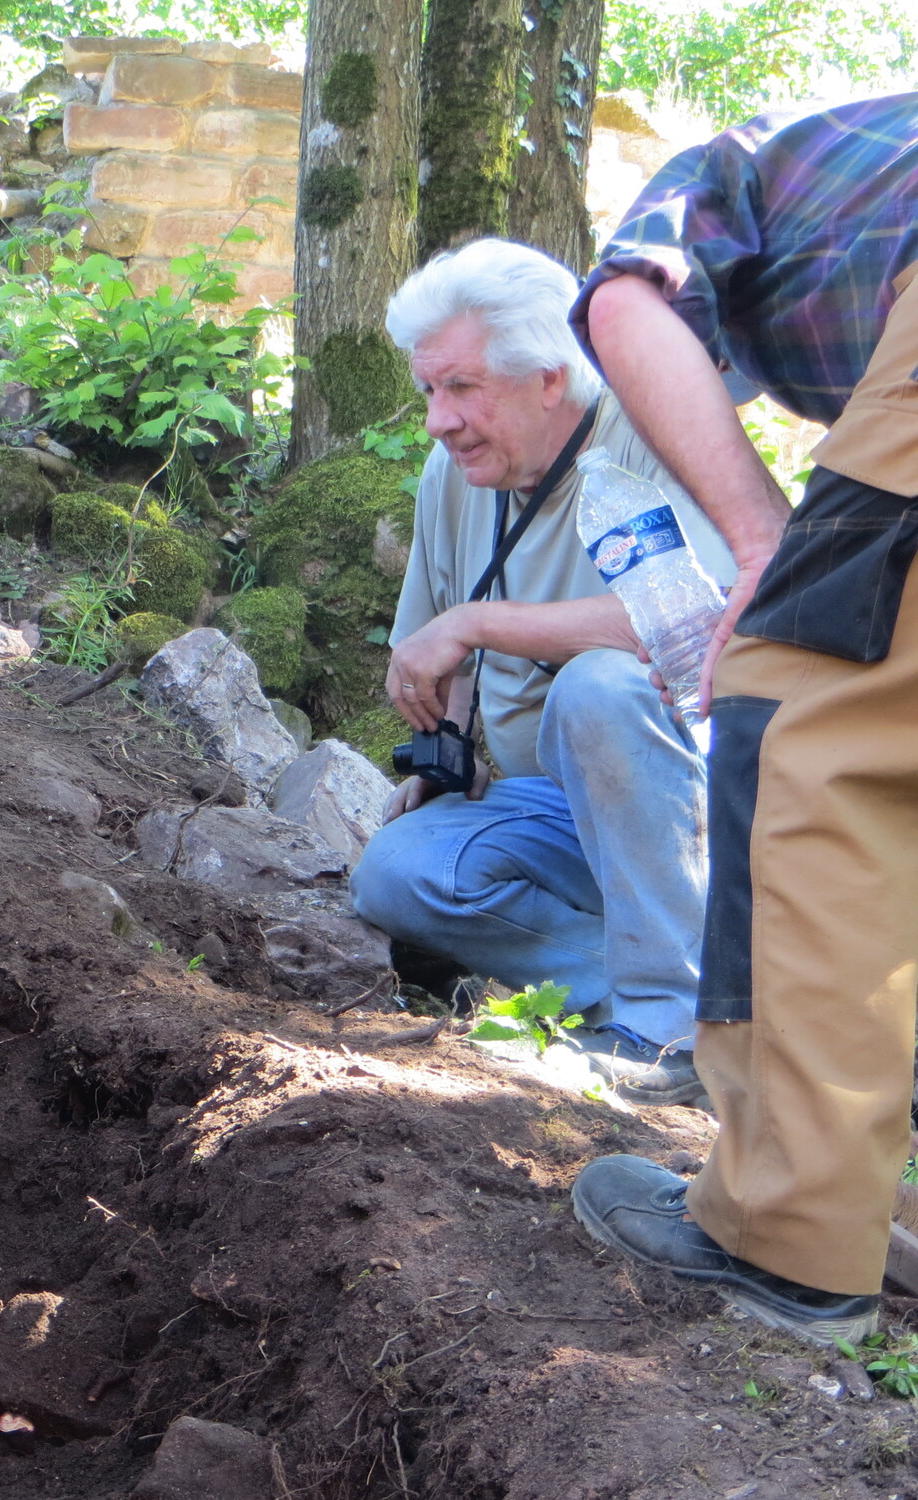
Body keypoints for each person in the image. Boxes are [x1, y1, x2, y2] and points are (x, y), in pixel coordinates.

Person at [566, 93, 918, 1345]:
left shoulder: (725, 168)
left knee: (801, 727)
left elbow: (623, 307)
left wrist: (766, 541)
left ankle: (784, 1232)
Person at [349, 239, 735, 1106]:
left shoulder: (651, 434)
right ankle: (712, 999)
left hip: (699, 807)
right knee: (398, 873)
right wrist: (446, 747)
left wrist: (478, 622)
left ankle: (670, 1033)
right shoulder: (455, 474)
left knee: (601, 687)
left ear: (550, 378)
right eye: (428, 391)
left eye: (461, 387)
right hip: (556, 806)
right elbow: (437, 650)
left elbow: (688, 623)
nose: (437, 420)